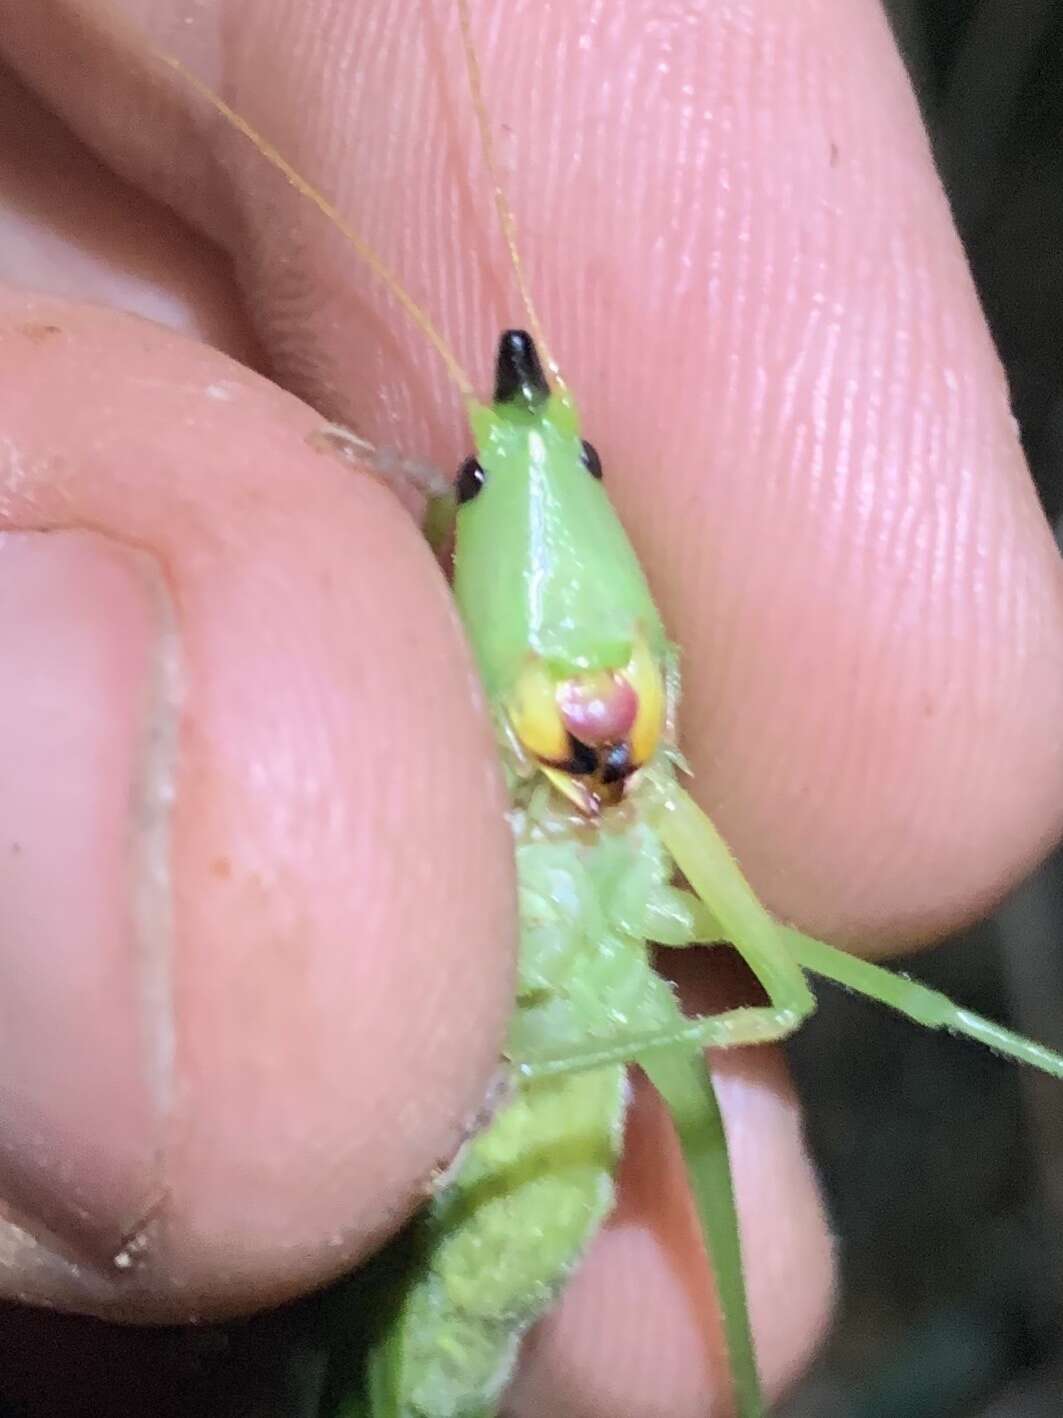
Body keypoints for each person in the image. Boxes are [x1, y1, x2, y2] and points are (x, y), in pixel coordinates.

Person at [0, 2, 1060, 1413]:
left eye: (579, 463)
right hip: (456, 1130)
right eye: (491, 492)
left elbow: (794, 985)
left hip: (577, 1054)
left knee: (723, 1228)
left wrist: (614, 1027)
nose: (536, 473)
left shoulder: (649, 746)